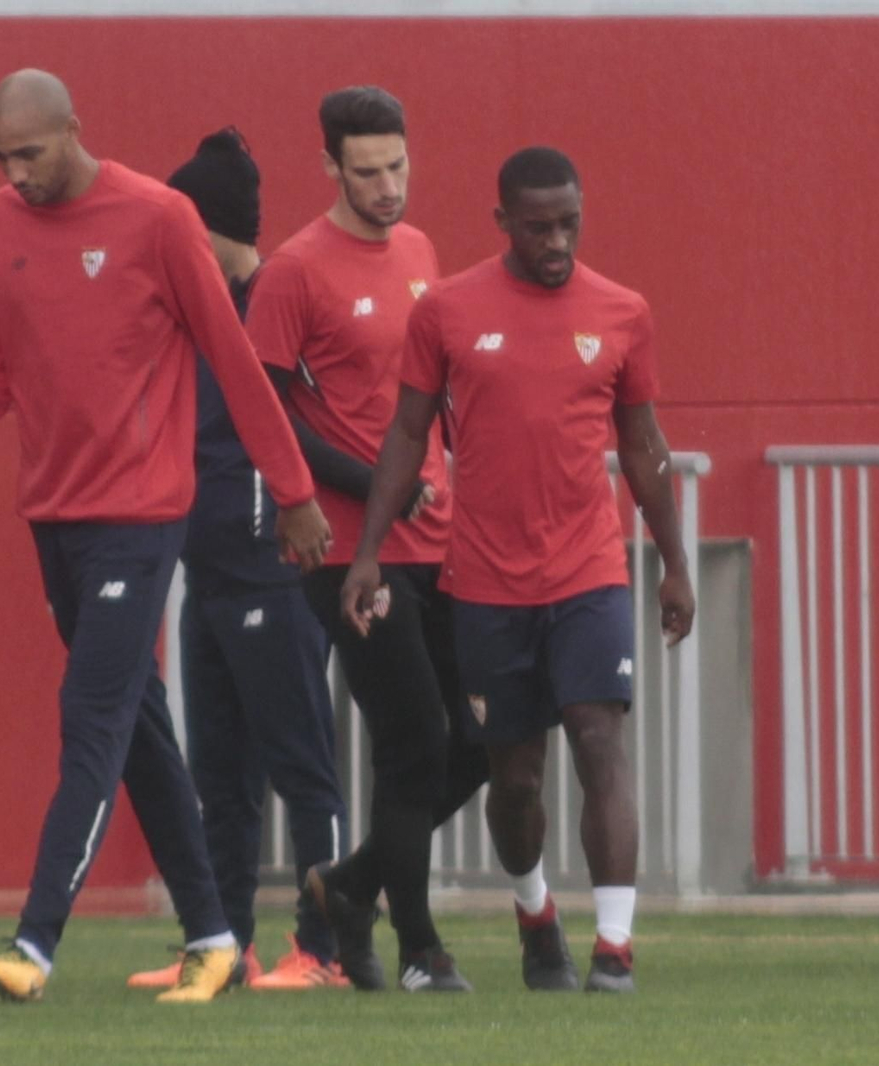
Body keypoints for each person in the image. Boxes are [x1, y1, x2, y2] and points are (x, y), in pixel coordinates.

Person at [0, 70, 331, 1004]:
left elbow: (235, 363)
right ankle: (214, 936)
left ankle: (33, 946)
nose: (16, 174)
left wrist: (293, 493)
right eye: (1, 158)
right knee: (139, 731)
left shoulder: (160, 219)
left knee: (90, 715)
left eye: (29, 154)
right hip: (55, 520)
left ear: (73, 131)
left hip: (141, 516)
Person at [341, 146, 696, 994]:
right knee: (515, 778)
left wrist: (675, 563)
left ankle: (614, 949)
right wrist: (368, 553)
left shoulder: (621, 312)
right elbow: (407, 434)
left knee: (599, 738)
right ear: (503, 222)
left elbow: (643, 447)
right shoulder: (447, 311)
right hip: (487, 585)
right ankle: (535, 912)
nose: (557, 242)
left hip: (589, 572)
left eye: (570, 223)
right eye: (539, 227)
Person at [243, 86, 489, 994]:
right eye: (367, 171)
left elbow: (429, 397)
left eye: (398, 165)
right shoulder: (294, 271)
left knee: (480, 741)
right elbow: (264, 417)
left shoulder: (420, 250)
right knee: (414, 738)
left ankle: (350, 885)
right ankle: (420, 948)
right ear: (330, 167)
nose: (388, 187)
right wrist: (366, 487)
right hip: (351, 549)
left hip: (441, 542)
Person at [124, 128, 350, 993]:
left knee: (303, 767)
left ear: (212, 229)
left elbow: (306, 426)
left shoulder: (272, 306)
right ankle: (223, 946)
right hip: (206, 573)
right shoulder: (192, 315)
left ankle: (324, 950)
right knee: (219, 777)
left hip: (272, 572)